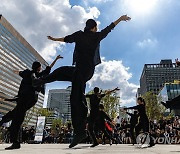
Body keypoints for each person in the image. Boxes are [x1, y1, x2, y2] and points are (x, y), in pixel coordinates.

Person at [32, 15, 131, 148]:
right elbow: (109, 28)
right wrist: (120, 18)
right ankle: (40, 81)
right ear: (94, 27)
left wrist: (54, 39)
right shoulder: (96, 36)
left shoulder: (79, 34)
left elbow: (66, 39)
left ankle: (80, 132)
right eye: (96, 28)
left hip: (81, 71)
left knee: (75, 97)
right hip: (85, 71)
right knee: (63, 74)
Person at [0, 55, 62, 150]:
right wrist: (56, 59)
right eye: (40, 68)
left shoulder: (27, 73)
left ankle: (15, 141)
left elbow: (18, 72)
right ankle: (4, 123)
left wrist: (15, 71)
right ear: (38, 68)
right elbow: (49, 68)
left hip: (23, 99)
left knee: (16, 119)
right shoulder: (37, 74)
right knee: (15, 116)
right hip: (29, 100)